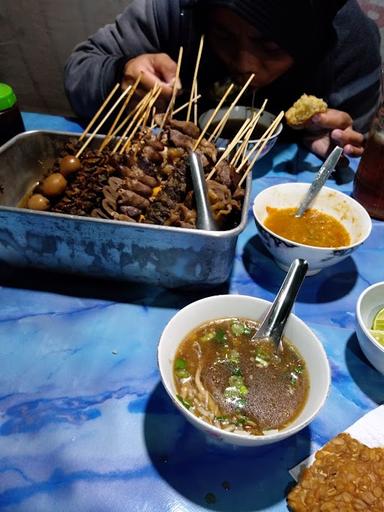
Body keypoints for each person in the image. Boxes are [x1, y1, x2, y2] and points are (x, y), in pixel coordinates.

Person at [64, 0, 381, 159]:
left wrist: (325, 145)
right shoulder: (179, 9)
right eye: (223, 35)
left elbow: (349, 149)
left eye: (270, 46)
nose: (245, 66)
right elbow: (80, 68)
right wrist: (118, 76)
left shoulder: (350, 43)